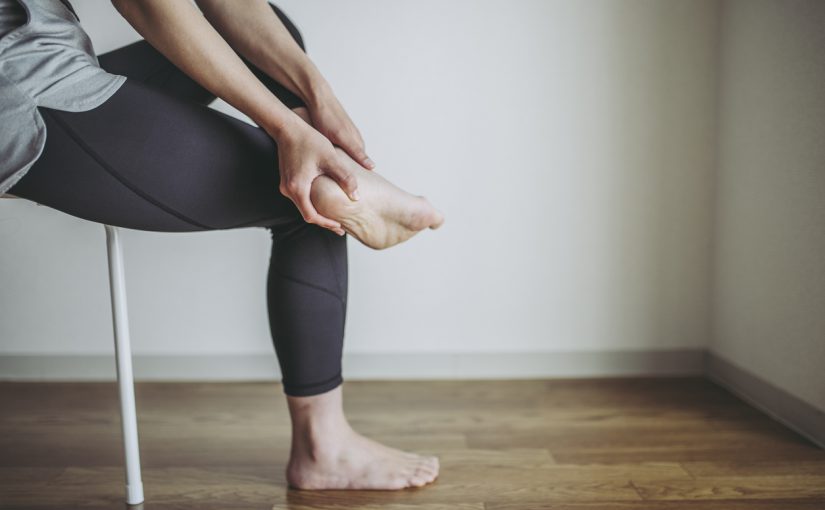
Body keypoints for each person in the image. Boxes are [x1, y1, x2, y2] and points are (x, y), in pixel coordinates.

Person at [1, 0, 443, 490]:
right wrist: (288, 129)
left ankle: (330, 173)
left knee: (275, 42)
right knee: (306, 205)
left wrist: (320, 98)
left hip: (48, 58)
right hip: (19, 89)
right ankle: (325, 449)